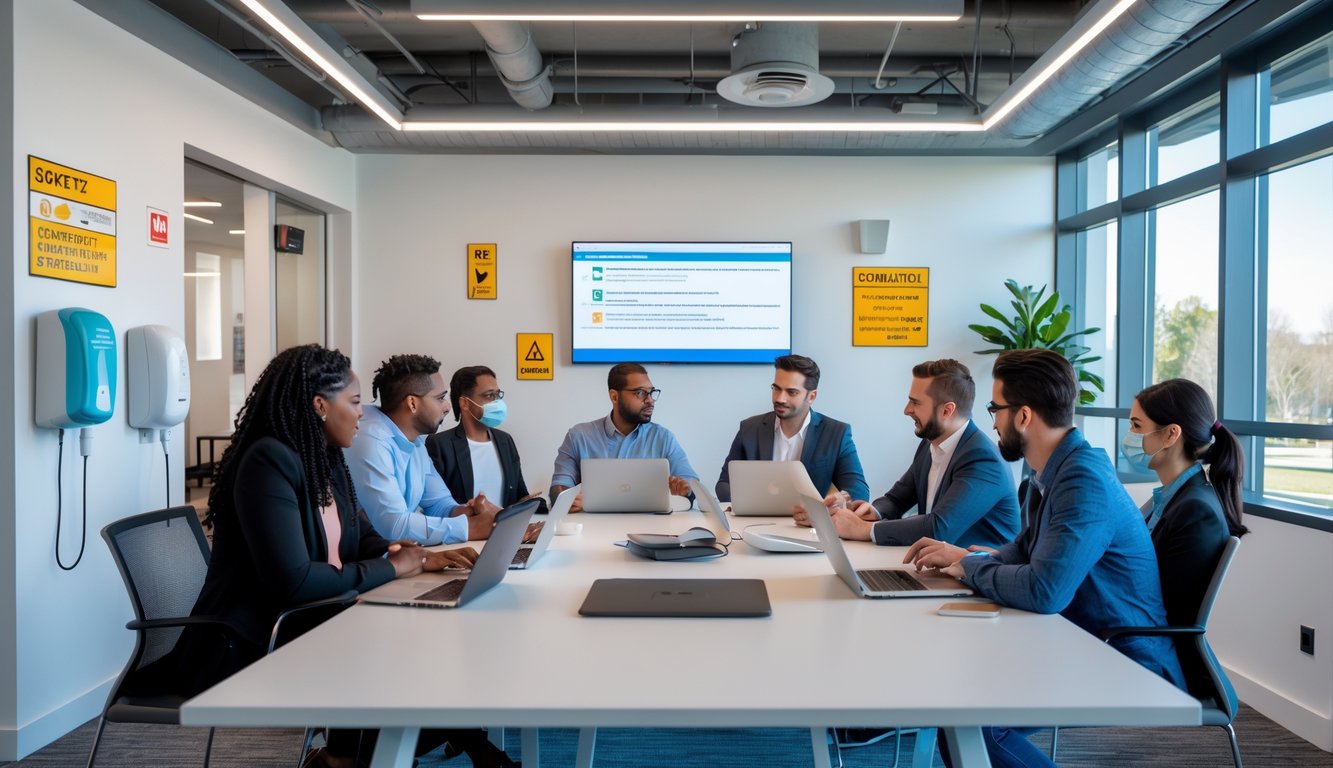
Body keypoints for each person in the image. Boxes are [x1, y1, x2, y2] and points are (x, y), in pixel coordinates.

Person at [164, 345, 512, 768]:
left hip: (316, 619)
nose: (364, 413)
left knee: (422, 642)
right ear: (319, 405)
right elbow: (293, 582)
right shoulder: (267, 463)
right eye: (353, 402)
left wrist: (412, 555)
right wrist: (389, 567)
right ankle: (366, 754)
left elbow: (360, 535)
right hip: (256, 637)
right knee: (409, 660)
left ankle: (349, 756)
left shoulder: (323, 458)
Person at [907, 349, 1183, 768]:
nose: (991, 421)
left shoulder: (1082, 479)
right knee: (957, 700)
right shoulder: (1054, 469)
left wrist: (971, 566)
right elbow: (1023, 549)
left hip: (1120, 654)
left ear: (1023, 417)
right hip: (1076, 636)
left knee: (977, 726)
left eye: (994, 409)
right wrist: (963, 556)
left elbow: (1045, 590)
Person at [794, 359, 1019, 550]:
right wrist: (870, 512)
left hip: (981, 582)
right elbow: (896, 499)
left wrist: (865, 529)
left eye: (915, 402)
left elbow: (939, 528)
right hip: (939, 570)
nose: (907, 410)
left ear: (947, 410)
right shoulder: (930, 444)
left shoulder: (982, 459)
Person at [1126, 378, 1248, 698]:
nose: (1130, 437)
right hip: (1140, 636)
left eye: (1137, 426)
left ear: (1171, 434)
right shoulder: (1168, 497)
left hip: (1161, 656)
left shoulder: (1197, 510)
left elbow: (1162, 605)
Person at [344, 354, 498, 544]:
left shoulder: (415, 440)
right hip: (361, 563)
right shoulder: (371, 441)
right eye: (440, 398)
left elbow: (438, 503)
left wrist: (471, 513)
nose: (448, 406)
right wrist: (470, 528)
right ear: (412, 403)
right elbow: (393, 526)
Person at [714, 354, 868, 504]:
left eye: (791, 392)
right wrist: (749, 504)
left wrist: (840, 499)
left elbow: (859, 490)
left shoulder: (836, 433)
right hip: (754, 522)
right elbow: (724, 484)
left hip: (807, 525)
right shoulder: (749, 428)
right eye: (776, 389)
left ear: (811, 396)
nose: (780, 398)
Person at [549, 362, 698, 512]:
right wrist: (566, 498)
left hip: (651, 527)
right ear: (614, 396)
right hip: (592, 529)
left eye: (651, 392)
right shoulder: (579, 436)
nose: (650, 400)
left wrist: (685, 489)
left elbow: (692, 485)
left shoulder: (663, 438)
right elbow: (559, 487)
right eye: (640, 393)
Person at [427, 365, 536, 508]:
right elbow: (436, 505)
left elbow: (519, 495)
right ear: (465, 403)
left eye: (498, 395)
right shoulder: (440, 444)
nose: (497, 402)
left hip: (505, 529)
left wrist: (533, 503)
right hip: (466, 529)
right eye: (489, 395)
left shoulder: (505, 441)